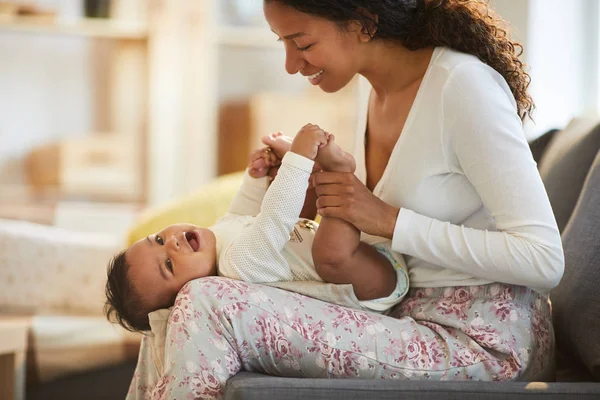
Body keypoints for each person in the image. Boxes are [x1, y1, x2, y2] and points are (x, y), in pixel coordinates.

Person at [126, 1, 564, 398]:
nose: (290, 64)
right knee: (163, 307)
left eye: (302, 42)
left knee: (205, 301)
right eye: (284, 43)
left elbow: (543, 259)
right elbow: (359, 232)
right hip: (397, 311)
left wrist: (390, 219)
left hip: (480, 341)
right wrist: (310, 196)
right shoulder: (370, 90)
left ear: (362, 22)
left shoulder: (461, 87)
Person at [105, 124, 409, 333]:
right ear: (187, 293)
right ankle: (337, 171)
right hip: (370, 289)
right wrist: (298, 159)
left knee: (299, 207)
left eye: (158, 239)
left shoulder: (218, 239)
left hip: (368, 253)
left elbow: (244, 210)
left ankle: (318, 171)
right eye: (169, 264)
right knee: (327, 253)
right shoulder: (237, 268)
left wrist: (257, 176)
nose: (171, 243)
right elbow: (274, 217)